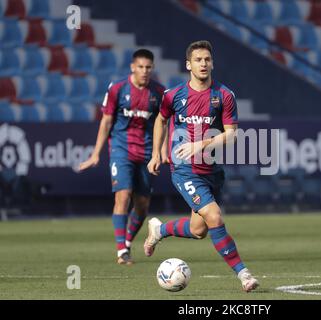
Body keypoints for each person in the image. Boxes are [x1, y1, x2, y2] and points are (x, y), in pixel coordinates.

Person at [145, 40, 259, 292]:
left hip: (212, 170)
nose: (203, 64)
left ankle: (159, 229)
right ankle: (244, 274)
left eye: (207, 59)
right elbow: (161, 120)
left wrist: (201, 145)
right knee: (215, 216)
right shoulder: (173, 95)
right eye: (198, 60)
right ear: (188, 65)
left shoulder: (224, 96)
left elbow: (232, 134)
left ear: (212, 63)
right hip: (184, 169)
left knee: (199, 230)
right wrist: (156, 153)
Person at [78, 49, 166, 265]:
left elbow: (164, 122)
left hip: (146, 152)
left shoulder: (159, 92)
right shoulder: (117, 89)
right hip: (121, 149)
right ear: (132, 67)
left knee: (143, 205)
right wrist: (96, 153)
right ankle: (121, 251)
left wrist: (161, 151)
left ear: (152, 68)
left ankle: (127, 242)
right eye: (140, 67)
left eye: (148, 67)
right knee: (123, 195)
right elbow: (106, 121)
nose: (144, 71)